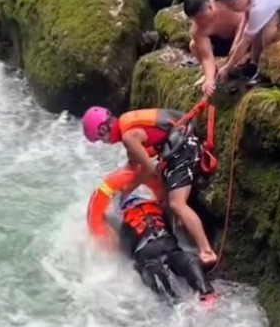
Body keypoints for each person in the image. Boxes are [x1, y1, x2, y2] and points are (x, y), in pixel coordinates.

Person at [81, 105, 218, 265]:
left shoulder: (128, 137)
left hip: (184, 149)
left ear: (104, 128)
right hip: (181, 142)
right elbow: (132, 164)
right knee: (170, 199)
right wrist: (116, 186)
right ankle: (184, 232)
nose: (104, 143)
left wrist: (132, 186)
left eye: (100, 138)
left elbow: (149, 169)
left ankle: (207, 252)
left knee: (177, 204)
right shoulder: (126, 124)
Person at [116, 185, 217, 303]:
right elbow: (172, 232)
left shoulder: (125, 225)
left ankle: (177, 302)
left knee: (162, 280)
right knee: (189, 261)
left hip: (153, 256)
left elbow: (127, 254)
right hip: (166, 249)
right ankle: (206, 293)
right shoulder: (159, 211)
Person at [182, 0, 243, 98]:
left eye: (202, 18)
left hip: (241, 37)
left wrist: (229, 64)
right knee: (193, 45)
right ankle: (213, 74)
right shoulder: (197, 30)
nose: (201, 23)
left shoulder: (226, 8)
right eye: (196, 20)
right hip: (223, 44)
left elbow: (244, 26)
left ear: (209, 7)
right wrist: (209, 80)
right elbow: (207, 57)